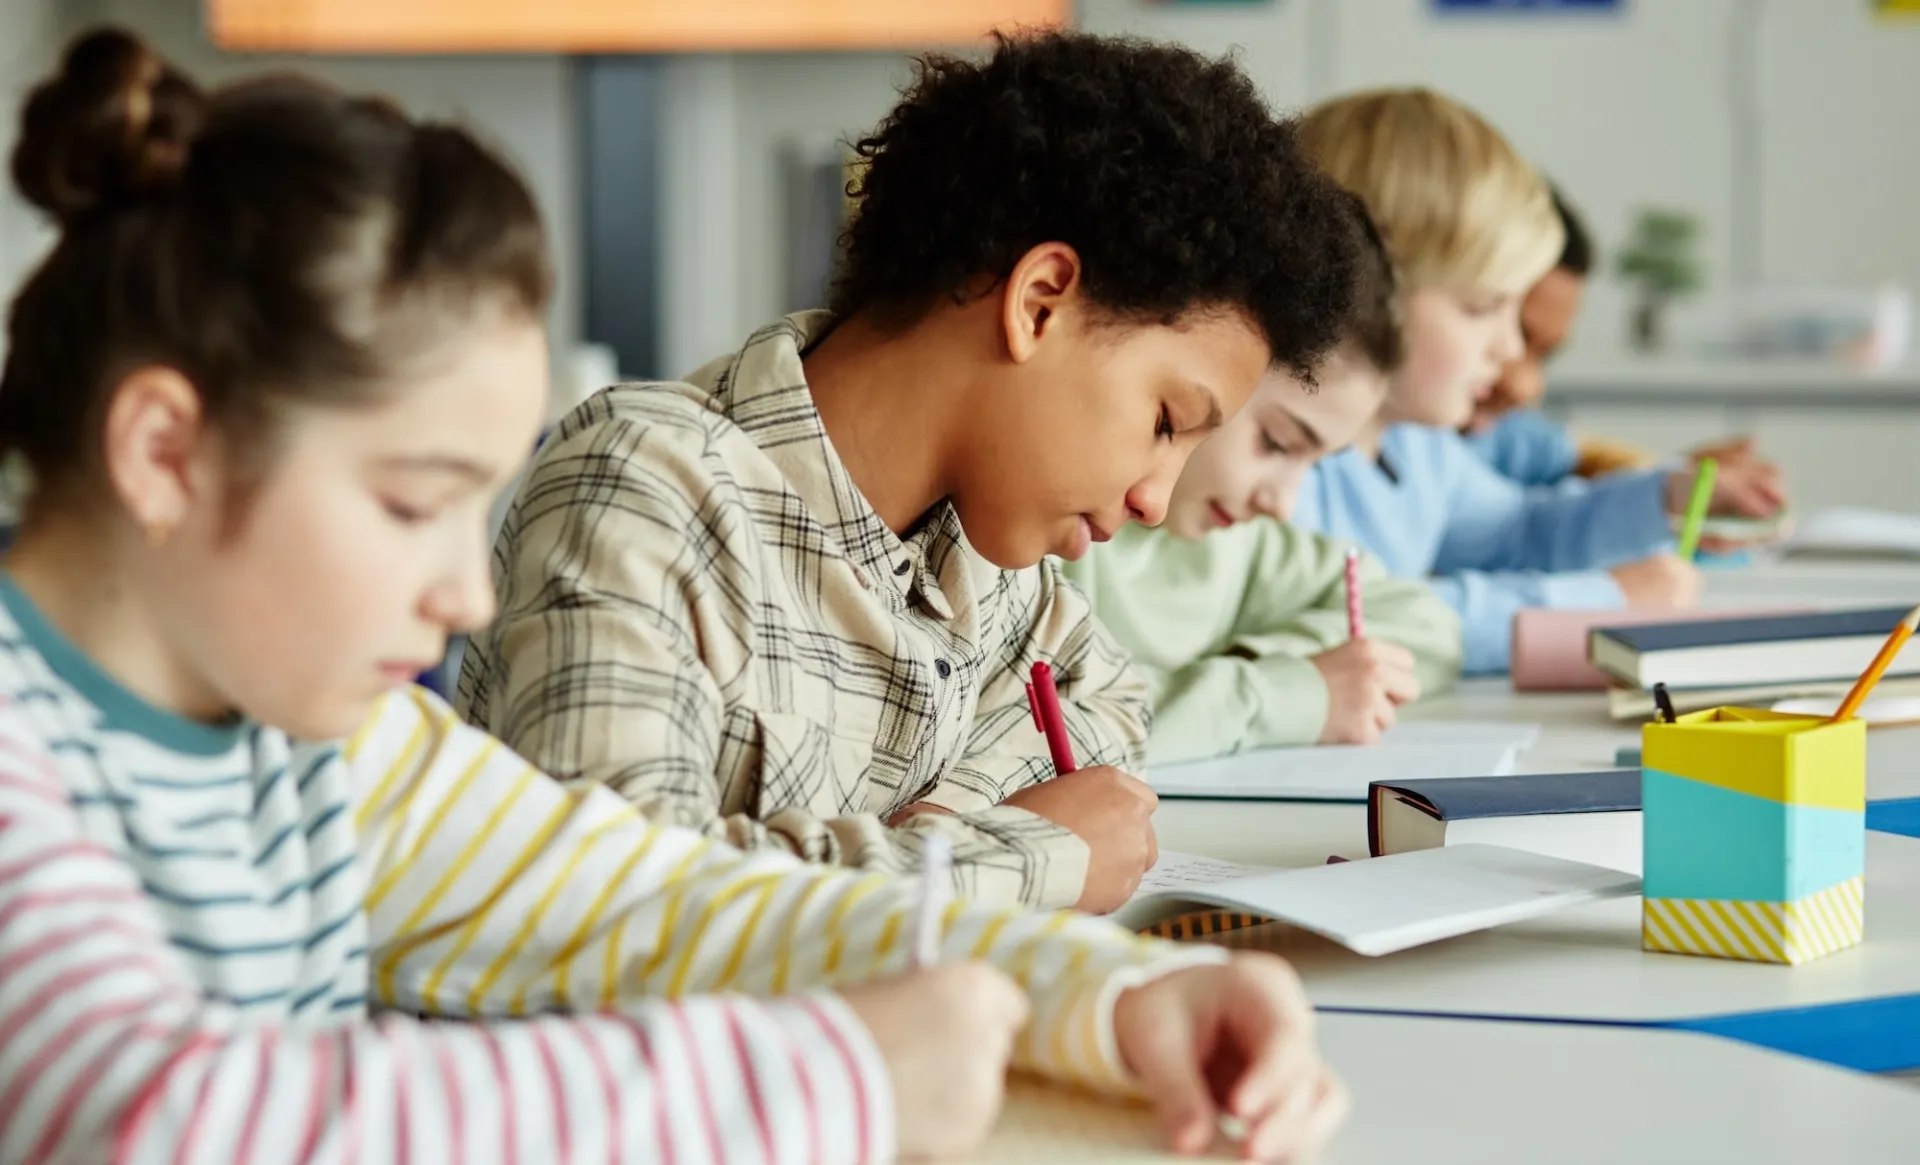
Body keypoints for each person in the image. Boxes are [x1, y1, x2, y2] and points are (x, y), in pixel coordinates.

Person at [0, 28, 1349, 1164]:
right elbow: (160, 1117)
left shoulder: (336, 746)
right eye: (413, 503)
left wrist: (1116, 997)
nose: (465, 593)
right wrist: (829, 1074)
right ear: (164, 452)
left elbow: (659, 901)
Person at [456, 31, 1372, 913]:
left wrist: (939, 824)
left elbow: (1107, 699)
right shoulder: (645, 491)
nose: (1155, 498)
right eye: (1166, 422)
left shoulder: (977, 559)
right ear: (1040, 303)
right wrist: (1019, 853)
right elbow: (611, 897)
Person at [1285, 88, 1788, 676]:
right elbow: (1356, 618)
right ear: (1364, 290)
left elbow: (1520, 530)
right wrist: (1604, 600)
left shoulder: (1416, 447)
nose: (1509, 348)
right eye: (1482, 307)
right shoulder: (1286, 458)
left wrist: (1662, 499)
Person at [1060, 203, 1462, 762]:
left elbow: (1432, 630)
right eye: (1276, 443)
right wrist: (1278, 694)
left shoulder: (1239, 545)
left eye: (1316, 463)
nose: (1284, 504)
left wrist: (1263, 667)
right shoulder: (1052, 519)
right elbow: (1029, 728)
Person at [1465, 184, 1781, 495]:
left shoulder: (1507, 435)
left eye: (1546, 356)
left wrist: (1669, 485)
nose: (1525, 387)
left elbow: (1575, 461)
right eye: (1515, 332)